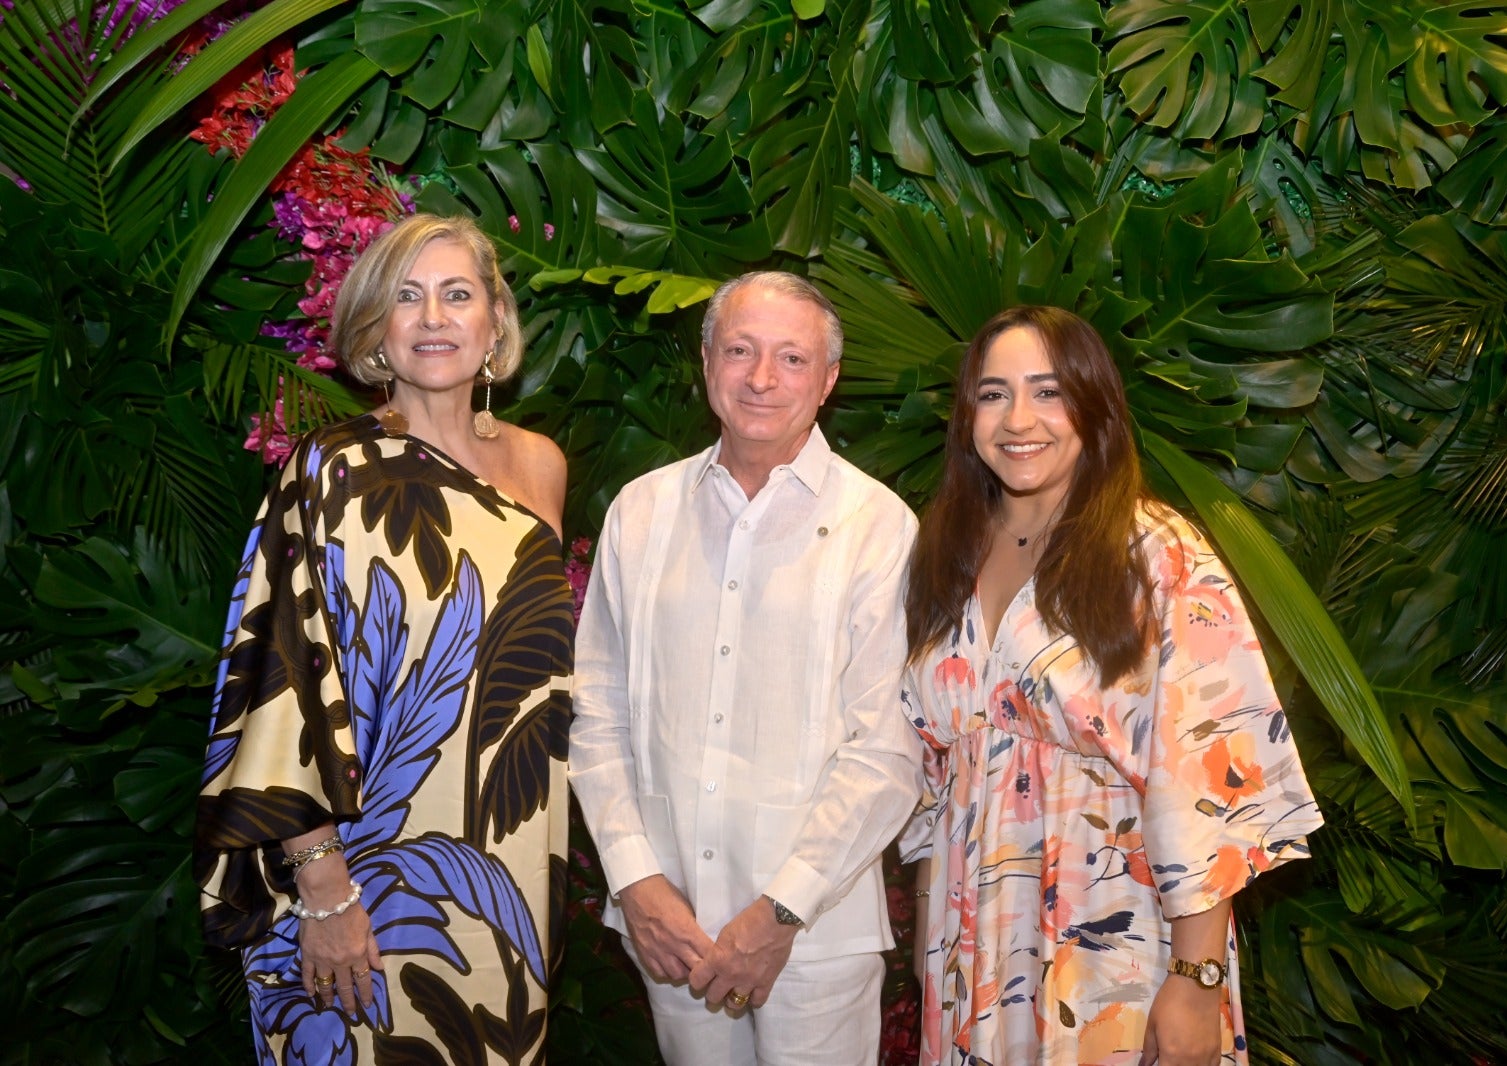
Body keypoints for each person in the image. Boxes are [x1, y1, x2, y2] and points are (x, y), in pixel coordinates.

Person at [900, 306, 1323, 1065]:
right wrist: (931, 950)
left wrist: (1196, 978)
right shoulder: (945, 556)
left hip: (1113, 932)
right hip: (970, 949)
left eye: (1049, 391)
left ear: (1093, 406)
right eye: (993, 394)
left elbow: (1211, 778)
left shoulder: (1158, 553)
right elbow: (936, 784)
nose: (1018, 419)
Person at [195, 213, 572, 1063]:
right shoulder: (328, 469)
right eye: (407, 297)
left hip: (508, 863)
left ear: (495, 322)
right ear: (375, 328)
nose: (433, 317)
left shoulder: (541, 464)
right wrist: (323, 889)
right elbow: (279, 689)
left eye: (457, 294)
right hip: (361, 876)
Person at [568, 271, 923, 1065]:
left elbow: (886, 750)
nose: (762, 378)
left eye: (792, 358)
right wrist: (635, 880)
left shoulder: (877, 527)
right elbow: (598, 714)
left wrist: (781, 910)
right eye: (740, 351)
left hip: (817, 933)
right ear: (706, 364)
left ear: (828, 381)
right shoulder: (640, 512)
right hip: (671, 926)